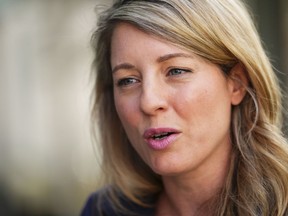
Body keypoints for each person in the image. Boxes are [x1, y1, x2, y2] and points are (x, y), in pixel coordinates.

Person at [81, 0, 288, 215]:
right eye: (128, 80)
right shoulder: (103, 210)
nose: (149, 102)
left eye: (176, 71)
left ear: (237, 83)